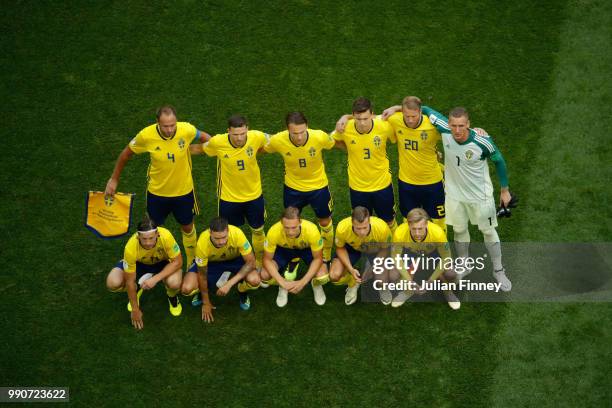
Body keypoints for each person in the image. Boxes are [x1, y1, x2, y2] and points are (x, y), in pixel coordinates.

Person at [104, 105, 210, 267]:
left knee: (187, 226)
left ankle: (191, 262)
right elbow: (126, 154)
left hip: (184, 192)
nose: (169, 129)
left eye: (172, 125)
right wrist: (114, 179)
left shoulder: (186, 130)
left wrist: (207, 149)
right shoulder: (146, 136)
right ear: (157, 123)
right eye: (165, 126)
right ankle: (153, 259)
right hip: (157, 193)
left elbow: (205, 137)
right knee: (151, 229)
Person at [421, 105, 512, 291]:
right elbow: (423, 109)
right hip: (455, 196)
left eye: (461, 126)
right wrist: (395, 108)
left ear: (468, 124)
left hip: (481, 197)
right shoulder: (443, 128)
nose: (457, 130)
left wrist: (504, 190)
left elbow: (499, 161)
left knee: (488, 231)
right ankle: (464, 264)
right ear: (448, 124)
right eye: (453, 125)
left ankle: (498, 270)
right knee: (460, 230)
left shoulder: (482, 141)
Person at [264, 112, 336, 262]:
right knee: (291, 223)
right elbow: (262, 148)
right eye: (294, 133)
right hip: (293, 189)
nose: (299, 137)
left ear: (307, 127)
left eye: (302, 132)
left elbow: (333, 143)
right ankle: (294, 256)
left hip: (319, 187)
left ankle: (326, 253)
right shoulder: (278, 140)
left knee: (324, 221)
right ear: (287, 130)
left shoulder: (319, 137)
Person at [201, 115, 268, 267]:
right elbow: (200, 148)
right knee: (229, 233)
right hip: (228, 198)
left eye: (242, 133)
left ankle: (259, 262)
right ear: (228, 132)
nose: (239, 138)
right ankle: (234, 262)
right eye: (235, 134)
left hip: (254, 195)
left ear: (247, 130)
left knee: (258, 230)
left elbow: (276, 140)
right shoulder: (218, 142)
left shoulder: (256, 137)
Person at [374, 96, 447, 233]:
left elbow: (453, 128)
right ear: (402, 112)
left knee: (439, 221)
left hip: (433, 183)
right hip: (407, 183)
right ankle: (411, 250)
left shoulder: (432, 125)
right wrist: (345, 118)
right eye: (407, 116)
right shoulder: (395, 119)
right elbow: (367, 118)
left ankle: (439, 250)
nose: (410, 120)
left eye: (414, 116)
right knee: (408, 221)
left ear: (421, 112)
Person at [106, 216, 183, 330]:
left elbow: (178, 262)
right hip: (140, 265)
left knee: (174, 283)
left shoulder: (166, 236)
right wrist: (135, 309)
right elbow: (129, 281)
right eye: (144, 239)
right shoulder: (130, 248)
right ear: (138, 237)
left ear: (157, 234)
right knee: (113, 283)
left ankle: (171, 296)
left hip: (163, 263)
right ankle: (138, 288)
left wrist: (155, 279)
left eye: (151, 238)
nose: (148, 243)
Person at [332, 97, 398, 232]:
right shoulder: (345, 128)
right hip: (358, 187)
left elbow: (408, 118)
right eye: (358, 119)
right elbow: (331, 140)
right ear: (353, 116)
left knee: (389, 220)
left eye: (365, 119)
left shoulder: (384, 126)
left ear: (372, 115)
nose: (362, 123)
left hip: (382, 184)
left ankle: (395, 249)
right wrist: (348, 148)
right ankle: (369, 249)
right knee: (362, 222)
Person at [182, 217, 260, 323]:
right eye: (217, 238)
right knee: (187, 288)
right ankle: (203, 293)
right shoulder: (203, 242)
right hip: (212, 263)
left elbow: (251, 262)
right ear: (210, 233)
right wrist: (206, 302)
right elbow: (202, 275)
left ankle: (242, 289)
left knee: (255, 280)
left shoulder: (237, 233)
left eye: (224, 237)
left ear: (228, 231)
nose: (221, 242)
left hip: (235, 260)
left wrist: (229, 284)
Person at [390, 208, 461, 310]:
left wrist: (431, 281)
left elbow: (446, 258)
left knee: (451, 274)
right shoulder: (399, 233)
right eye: (414, 229)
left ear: (426, 224)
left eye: (420, 229)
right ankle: (408, 291)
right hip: (411, 253)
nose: (417, 233)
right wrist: (409, 281)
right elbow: (395, 257)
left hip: (432, 253)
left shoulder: (438, 233)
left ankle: (447, 291)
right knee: (393, 275)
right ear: (408, 225)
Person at [260, 207, 329, 307]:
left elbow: (318, 259)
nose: (290, 232)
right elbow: (266, 260)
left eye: (293, 227)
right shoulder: (274, 231)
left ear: (300, 222)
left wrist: (303, 282)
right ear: (281, 223)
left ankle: (315, 284)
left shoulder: (312, 230)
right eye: (286, 228)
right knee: (264, 274)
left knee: (322, 274)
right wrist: (282, 282)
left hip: (306, 249)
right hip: (284, 250)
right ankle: (283, 286)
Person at [329, 206, 393, 305]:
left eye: (365, 227)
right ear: (352, 222)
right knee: (334, 275)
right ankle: (352, 282)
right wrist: (350, 269)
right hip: (352, 248)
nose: (362, 232)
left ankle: (383, 287)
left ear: (369, 221)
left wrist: (374, 266)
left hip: (375, 250)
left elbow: (386, 249)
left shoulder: (382, 228)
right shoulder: (343, 227)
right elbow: (340, 248)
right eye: (358, 228)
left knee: (382, 280)